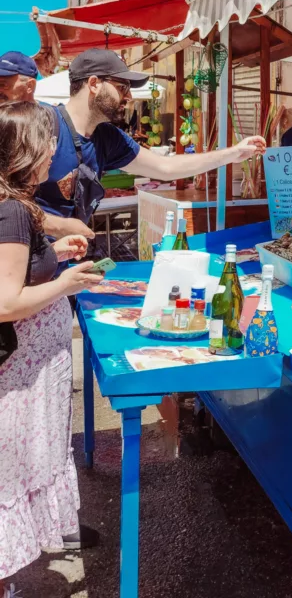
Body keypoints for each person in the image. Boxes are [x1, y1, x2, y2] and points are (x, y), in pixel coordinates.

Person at [0, 102, 105, 594]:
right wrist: (67, 284)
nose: (53, 154)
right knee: (11, 478)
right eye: (48, 144)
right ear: (28, 152)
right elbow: (6, 301)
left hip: (31, 371)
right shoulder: (14, 211)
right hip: (20, 376)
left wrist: (53, 255)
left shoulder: (16, 208)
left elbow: (16, 270)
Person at [35, 48, 266, 239]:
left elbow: (165, 167)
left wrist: (233, 154)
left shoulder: (108, 137)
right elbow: (5, 199)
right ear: (94, 84)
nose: (129, 97)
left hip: (61, 271)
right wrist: (58, 226)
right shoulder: (41, 126)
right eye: (123, 87)